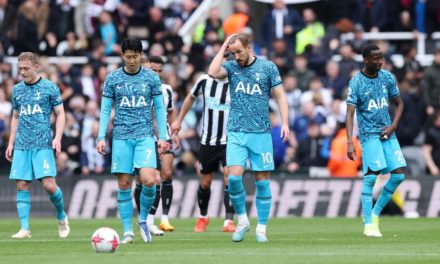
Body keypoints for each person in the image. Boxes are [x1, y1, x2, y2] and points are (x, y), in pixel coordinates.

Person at [208, 34, 290, 243]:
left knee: (262, 183)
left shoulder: (268, 67)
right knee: (233, 178)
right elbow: (212, 71)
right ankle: (243, 221)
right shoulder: (232, 67)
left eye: (239, 52)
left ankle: (261, 229)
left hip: (261, 133)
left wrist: (285, 123)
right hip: (236, 132)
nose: (236, 56)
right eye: (232, 53)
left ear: (249, 47)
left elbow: (280, 95)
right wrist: (224, 47)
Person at [97, 39, 170, 244]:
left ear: (141, 55)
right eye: (127, 56)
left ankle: (144, 220)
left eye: (135, 56)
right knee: (124, 184)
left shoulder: (151, 79)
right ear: (122, 56)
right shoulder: (112, 79)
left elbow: (160, 109)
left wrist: (162, 137)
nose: (131, 60)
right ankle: (127, 231)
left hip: (144, 137)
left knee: (149, 180)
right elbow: (105, 109)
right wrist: (101, 136)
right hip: (121, 137)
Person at [5, 52, 70, 239]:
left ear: (36, 67)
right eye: (20, 69)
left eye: (26, 69)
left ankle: (61, 215)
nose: (22, 72)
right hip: (23, 145)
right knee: (22, 185)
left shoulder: (50, 88)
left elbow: (61, 114)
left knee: (49, 186)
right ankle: (25, 228)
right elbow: (16, 116)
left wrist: (57, 138)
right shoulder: (17, 90)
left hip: (42, 144)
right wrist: (11, 143)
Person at [346, 44, 406, 238]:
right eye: (376, 58)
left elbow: (399, 103)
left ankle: (374, 214)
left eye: (381, 58)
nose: (380, 61)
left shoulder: (388, 77)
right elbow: (350, 113)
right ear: (366, 60)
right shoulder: (356, 82)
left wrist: (393, 126)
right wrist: (349, 141)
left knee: (398, 176)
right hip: (369, 134)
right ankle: (369, 223)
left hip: (388, 133)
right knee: (371, 177)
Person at [171, 73, 236, 233]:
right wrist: (179, 120)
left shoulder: (237, 80)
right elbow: (190, 98)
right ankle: (203, 217)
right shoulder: (204, 81)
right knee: (206, 181)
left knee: (230, 176)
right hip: (207, 141)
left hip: (230, 140)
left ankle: (228, 220)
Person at [133, 56, 178, 236]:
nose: (157, 74)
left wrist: (174, 133)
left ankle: (160, 218)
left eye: (160, 71)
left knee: (165, 174)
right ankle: (143, 218)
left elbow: (170, 112)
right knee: (144, 180)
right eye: (154, 71)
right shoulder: (139, 88)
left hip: (163, 136)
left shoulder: (166, 90)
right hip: (143, 137)